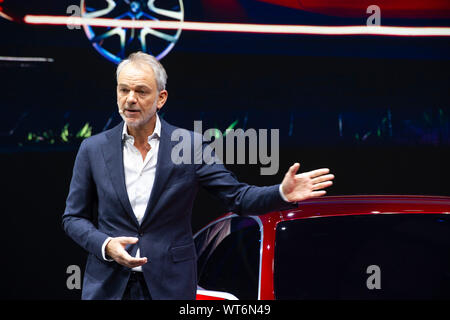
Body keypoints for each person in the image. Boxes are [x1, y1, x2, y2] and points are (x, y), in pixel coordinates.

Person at [62, 51, 335, 300]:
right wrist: (106, 244)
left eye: (141, 91)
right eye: (124, 90)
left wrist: (281, 193)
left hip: (169, 287)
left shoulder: (190, 146)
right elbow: (73, 218)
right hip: (108, 287)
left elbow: (237, 197)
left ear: (161, 98)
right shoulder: (93, 148)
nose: (130, 99)